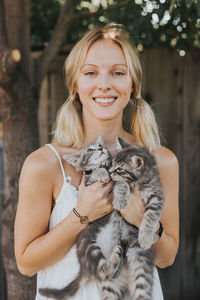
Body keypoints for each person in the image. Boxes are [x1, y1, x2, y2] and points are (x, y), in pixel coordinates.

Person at [14, 23, 179, 299]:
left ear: (132, 84)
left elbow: (166, 257)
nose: (104, 84)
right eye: (91, 72)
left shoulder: (160, 161)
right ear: (75, 85)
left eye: (118, 73)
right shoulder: (44, 165)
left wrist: (141, 219)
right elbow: (26, 263)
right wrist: (82, 216)